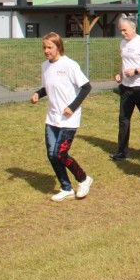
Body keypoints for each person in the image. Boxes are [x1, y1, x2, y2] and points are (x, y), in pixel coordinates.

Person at [31, 32, 94, 202]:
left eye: (49, 47)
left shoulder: (69, 65)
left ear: (58, 47)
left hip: (68, 119)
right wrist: (38, 93)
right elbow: (47, 87)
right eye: (44, 47)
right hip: (52, 118)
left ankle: (83, 179)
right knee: (52, 155)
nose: (46, 51)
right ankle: (66, 188)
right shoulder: (45, 66)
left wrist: (72, 108)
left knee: (60, 154)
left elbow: (86, 87)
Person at [113, 16, 140, 160]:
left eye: (125, 30)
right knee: (123, 119)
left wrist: (136, 71)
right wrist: (120, 74)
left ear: (133, 28)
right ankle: (122, 151)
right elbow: (123, 61)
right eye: (121, 31)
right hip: (126, 88)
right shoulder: (122, 43)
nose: (123, 33)